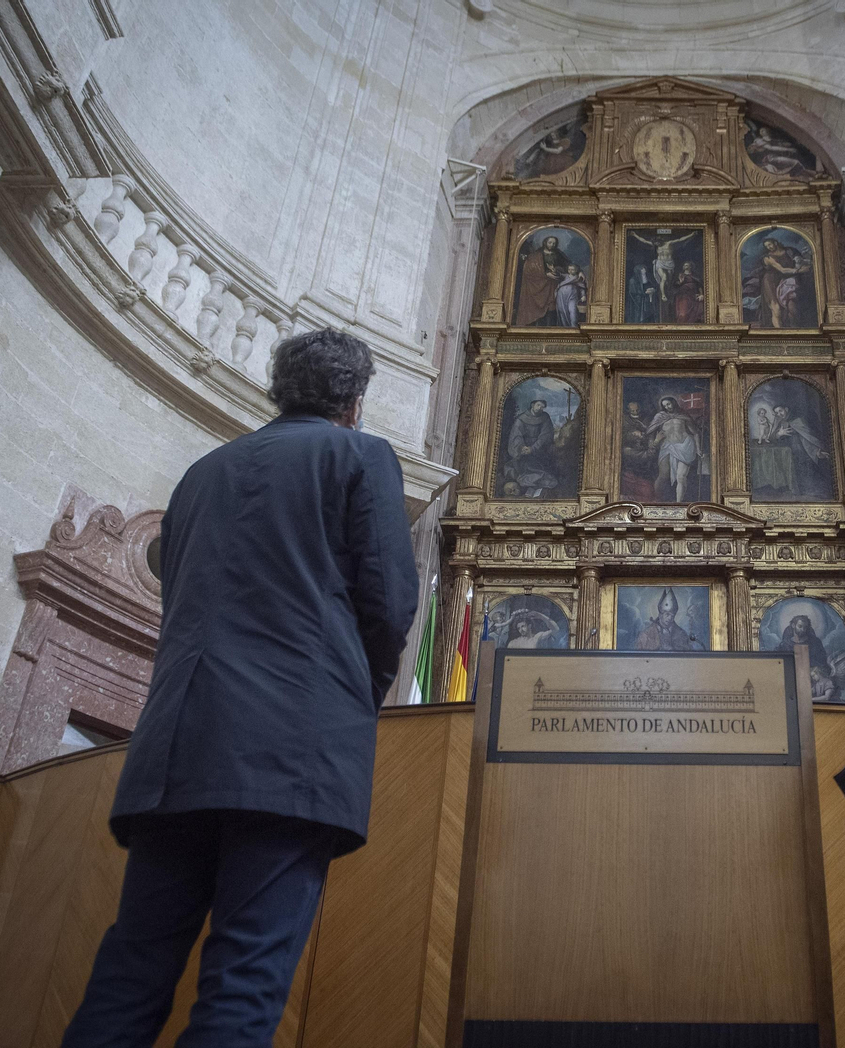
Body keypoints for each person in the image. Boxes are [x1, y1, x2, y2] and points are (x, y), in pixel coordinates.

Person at [61, 329, 418, 1048]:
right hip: (291, 751)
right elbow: (390, 604)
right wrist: (351, 693)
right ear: (354, 402)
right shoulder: (360, 456)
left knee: (129, 975)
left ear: (279, 393)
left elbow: (179, 606)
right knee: (243, 983)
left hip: (176, 749)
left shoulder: (202, 473)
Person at [645, 394, 703, 502]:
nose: (667, 407)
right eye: (665, 406)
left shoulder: (683, 415)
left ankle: (679, 504)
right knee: (663, 476)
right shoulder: (660, 417)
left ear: (673, 403)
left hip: (684, 446)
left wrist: (698, 448)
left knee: (681, 477)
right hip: (667, 447)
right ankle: (654, 500)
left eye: (669, 404)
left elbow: (695, 433)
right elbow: (651, 432)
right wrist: (654, 443)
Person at [503, 398, 558, 497]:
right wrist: (521, 447)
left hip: (540, 450)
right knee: (518, 468)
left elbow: (545, 436)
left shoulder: (545, 418)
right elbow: (516, 435)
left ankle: (534, 489)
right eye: (538, 405)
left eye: (542, 407)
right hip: (523, 451)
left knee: (543, 472)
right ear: (532, 405)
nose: (540, 408)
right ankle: (527, 488)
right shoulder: (521, 418)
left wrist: (533, 448)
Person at [634, 587, 704, 650]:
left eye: (672, 616)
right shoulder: (646, 634)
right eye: (667, 614)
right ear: (660, 615)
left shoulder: (681, 634)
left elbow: (688, 654)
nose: (670, 618)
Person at [555, 263, 587, 328]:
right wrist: (554, 270)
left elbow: (582, 288)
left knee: (573, 311)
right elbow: (560, 274)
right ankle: (565, 328)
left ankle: (573, 327)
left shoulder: (578, 278)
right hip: (561, 297)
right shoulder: (566, 276)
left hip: (572, 297)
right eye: (569, 269)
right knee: (562, 311)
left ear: (576, 270)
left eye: (572, 270)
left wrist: (583, 295)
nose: (570, 271)